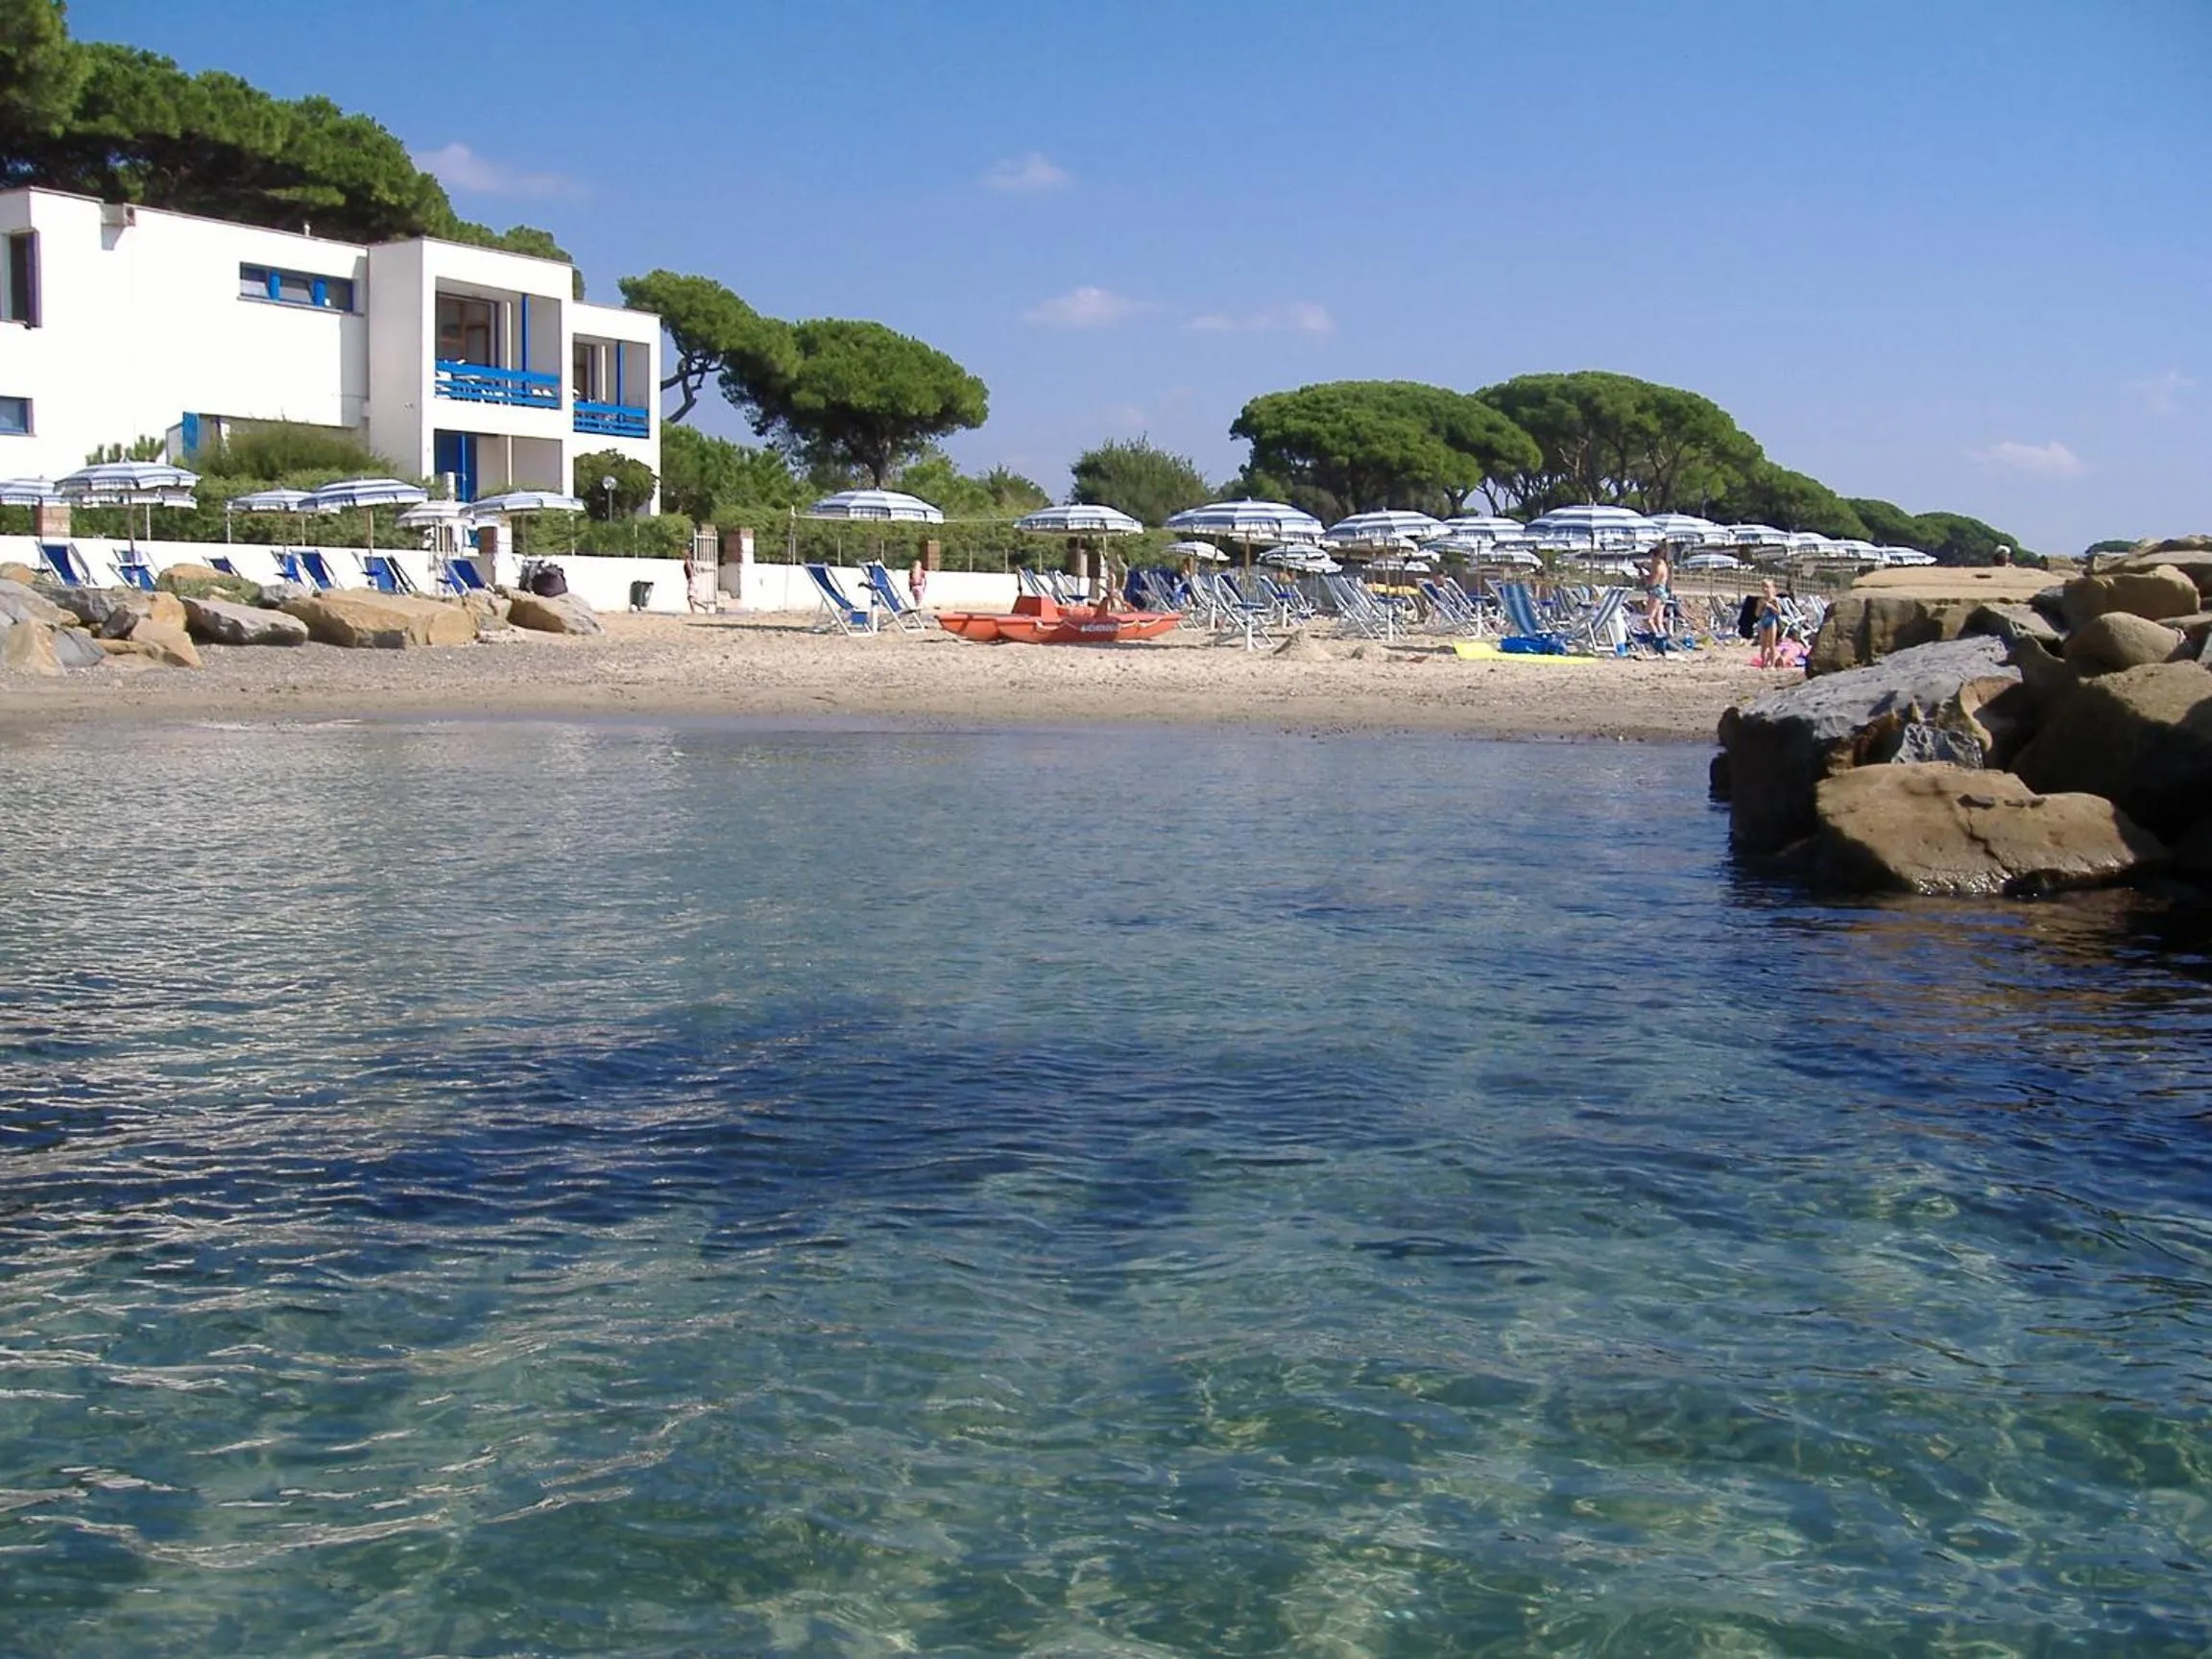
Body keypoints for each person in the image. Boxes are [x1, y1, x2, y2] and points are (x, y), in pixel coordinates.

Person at [1642, 540, 1673, 635]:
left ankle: (1656, 638)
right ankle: (1664, 640)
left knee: (1648, 619)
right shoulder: (1664, 565)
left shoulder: (1658, 567)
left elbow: (1652, 583)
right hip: (1662, 593)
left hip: (1656, 593)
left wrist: (1644, 575)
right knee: (1658, 621)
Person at [1751, 578, 1785, 668]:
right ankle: (1763, 663)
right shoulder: (1761, 600)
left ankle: (1772, 664)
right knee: (1763, 645)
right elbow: (1757, 614)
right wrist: (1761, 607)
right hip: (1763, 622)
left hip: (1772, 621)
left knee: (1771, 644)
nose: (1765, 589)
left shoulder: (1774, 600)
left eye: (1767, 587)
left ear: (1771, 588)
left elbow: (1779, 612)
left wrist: (1770, 606)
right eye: (1763, 587)